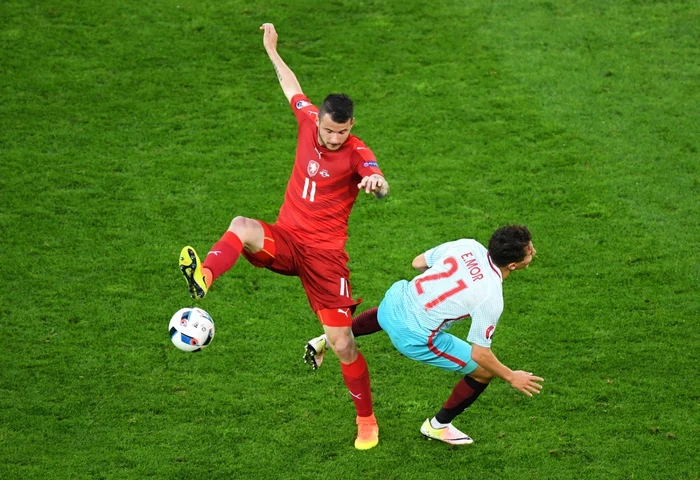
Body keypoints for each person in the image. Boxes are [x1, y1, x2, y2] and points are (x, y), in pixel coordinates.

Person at [178, 23, 389, 450]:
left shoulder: (357, 152)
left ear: (351, 127)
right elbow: (291, 86)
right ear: (320, 120)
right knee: (241, 225)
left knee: (342, 342)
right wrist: (272, 50)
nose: (335, 139)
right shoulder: (308, 117)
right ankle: (204, 277)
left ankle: (367, 421)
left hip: (326, 259)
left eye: (343, 132)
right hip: (288, 239)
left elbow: (378, 178)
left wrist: (376, 184)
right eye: (330, 131)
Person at [304, 225, 542, 445]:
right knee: (484, 372)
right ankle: (438, 426)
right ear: (512, 264)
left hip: (393, 301)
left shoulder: (467, 245)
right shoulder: (490, 296)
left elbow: (418, 263)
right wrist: (511, 376)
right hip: (413, 336)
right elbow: (480, 354)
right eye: (530, 251)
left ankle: (329, 339)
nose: (534, 252)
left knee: (402, 306)